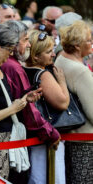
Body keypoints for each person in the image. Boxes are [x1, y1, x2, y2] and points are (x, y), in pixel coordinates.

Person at [0, 23, 39, 183]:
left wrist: (24, 100)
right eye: (8, 50)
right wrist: (13, 108)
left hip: (1, 142)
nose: (9, 55)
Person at [0, 20, 61, 183]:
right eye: (25, 40)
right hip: (10, 136)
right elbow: (29, 109)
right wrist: (50, 132)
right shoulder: (14, 68)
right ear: (13, 43)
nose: (28, 45)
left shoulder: (10, 64)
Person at [24, 30, 69, 184]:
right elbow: (62, 102)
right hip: (47, 135)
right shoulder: (43, 74)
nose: (53, 54)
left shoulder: (23, 69)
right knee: (48, 178)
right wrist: (62, 81)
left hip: (32, 133)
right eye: (49, 51)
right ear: (36, 56)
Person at [54, 20, 93, 183]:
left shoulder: (61, 60)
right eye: (89, 40)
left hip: (70, 136)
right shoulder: (80, 71)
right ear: (77, 46)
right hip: (86, 140)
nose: (92, 43)